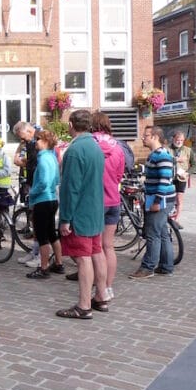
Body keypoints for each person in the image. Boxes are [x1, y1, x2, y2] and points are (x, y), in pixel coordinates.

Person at [56, 109, 106, 319]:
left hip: (81, 213)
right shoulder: (95, 147)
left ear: (71, 125)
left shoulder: (75, 151)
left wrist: (65, 218)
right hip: (95, 210)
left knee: (83, 258)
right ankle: (102, 296)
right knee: (97, 252)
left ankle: (84, 305)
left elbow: (70, 188)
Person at [85, 112, 125, 310]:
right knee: (109, 246)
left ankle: (99, 290)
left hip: (95, 202)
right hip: (113, 200)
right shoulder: (118, 147)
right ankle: (108, 287)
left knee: (95, 248)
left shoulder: (90, 145)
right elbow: (119, 176)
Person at [129, 126, 177, 279]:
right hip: (159, 198)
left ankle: (147, 267)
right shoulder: (155, 155)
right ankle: (166, 266)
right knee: (162, 233)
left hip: (160, 200)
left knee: (152, 234)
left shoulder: (162, 155)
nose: (143, 138)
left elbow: (164, 181)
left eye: (146, 135)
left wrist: (157, 201)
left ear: (155, 137)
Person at [25, 130, 65, 279]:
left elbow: (44, 182)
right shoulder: (52, 157)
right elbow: (56, 180)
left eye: (38, 139)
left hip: (42, 200)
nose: (36, 142)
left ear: (46, 141)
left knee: (42, 235)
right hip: (52, 199)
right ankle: (59, 263)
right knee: (51, 233)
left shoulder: (42, 159)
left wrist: (32, 193)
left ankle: (44, 267)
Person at [13, 121, 41, 265]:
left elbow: (34, 163)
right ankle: (35, 251)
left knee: (40, 222)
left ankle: (40, 256)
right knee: (33, 221)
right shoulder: (29, 143)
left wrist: (23, 162)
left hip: (39, 187)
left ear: (29, 131)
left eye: (22, 137)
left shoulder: (38, 142)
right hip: (32, 184)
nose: (21, 140)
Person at [169, 131, 196, 226]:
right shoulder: (167, 149)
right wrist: (176, 159)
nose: (179, 142)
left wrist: (187, 173)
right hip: (169, 177)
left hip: (181, 178)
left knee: (179, 198)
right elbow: (163, 159)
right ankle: (168, 215)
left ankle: (177, 219)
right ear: (173, 139)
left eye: (181, 140)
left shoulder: (188, 150)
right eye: (177, 140)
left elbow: (195, 165)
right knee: (169, 197)